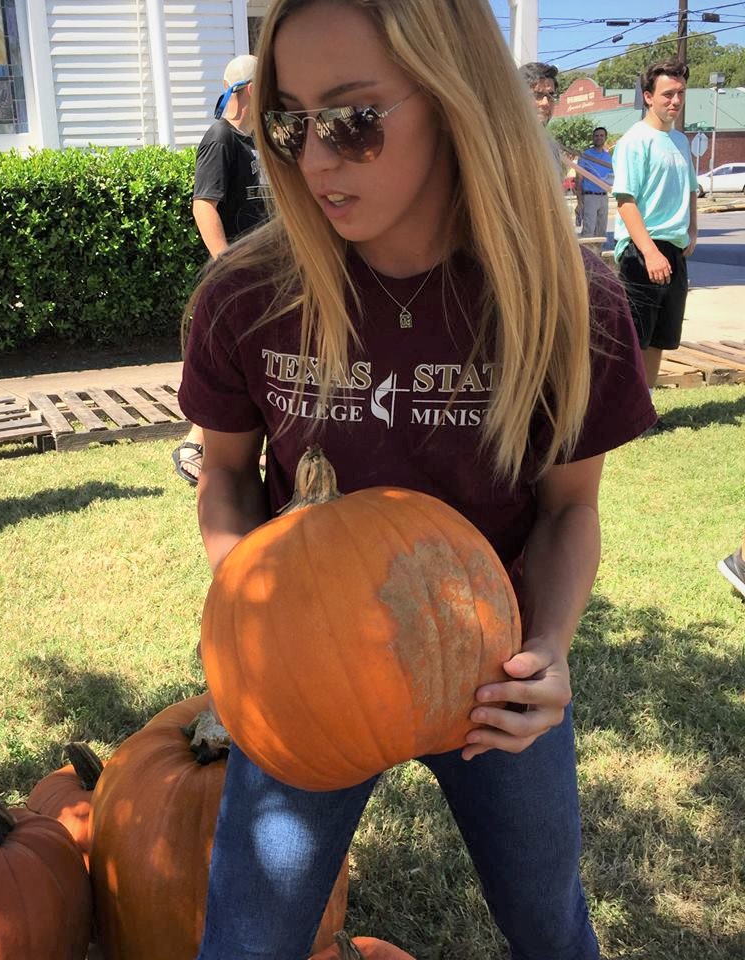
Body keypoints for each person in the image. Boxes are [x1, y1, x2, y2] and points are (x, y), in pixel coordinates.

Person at [178, 2, 655, 958]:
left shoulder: (570, 299)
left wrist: (551, 648)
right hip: (306, 674)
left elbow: (568, 509)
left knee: (549, 926)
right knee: (246, 943)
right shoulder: (246, 298)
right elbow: (225, 476)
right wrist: (253, 600)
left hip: (491, 675)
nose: (314, 161)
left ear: (456, 101)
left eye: (354, 119)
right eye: (287, 121)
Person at [173, 54, 270, 486]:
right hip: (238, 274)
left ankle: (227, 444)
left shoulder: (258, 139)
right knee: (233, 360)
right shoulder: (220, 138)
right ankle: (194, 445)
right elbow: (203, 205)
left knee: (252, 359)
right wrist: (226, 264)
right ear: (249, 88)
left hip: (267, 271)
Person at [612, 59, 698, 390]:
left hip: (673, 250)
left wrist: (692, 229)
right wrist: (649, 252)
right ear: (648, 96)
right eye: (667, 94)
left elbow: (691, 188)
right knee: (636, 336)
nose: (675, 101)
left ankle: (645, 408)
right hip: (642, 250)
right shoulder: (635, 141)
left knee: (660, 335)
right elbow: (625, 201)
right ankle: (624, 410)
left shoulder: (679, 141)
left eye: (680, 93)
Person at [519, 60, 565, 176]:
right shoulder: (502, 145)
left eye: (551, 95)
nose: (545, 103)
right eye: (537, 95)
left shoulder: (551, 147)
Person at [575, 127, 614, 241]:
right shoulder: (585, 155)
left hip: (603, 196)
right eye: (596, 136)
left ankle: (598, 256)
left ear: (605, 138)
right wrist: (579, 201)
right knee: (589, 231)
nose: (599, 138)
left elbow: (611, 177)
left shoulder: (608, 157)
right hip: (590, 197)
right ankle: (587, 258)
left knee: (601, 232)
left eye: (601, 135)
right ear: (593, 138)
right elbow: (579, 178)